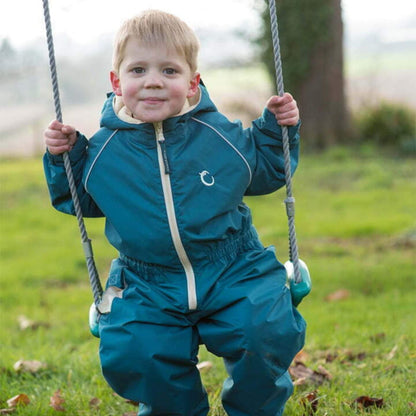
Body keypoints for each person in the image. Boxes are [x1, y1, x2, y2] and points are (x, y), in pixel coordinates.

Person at [43, 9, 306, 416]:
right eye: (138, 69)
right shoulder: (102, 153)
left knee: (265, 330)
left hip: (234, 267)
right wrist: (65, 159)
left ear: (191, 82)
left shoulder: (219, 136)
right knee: (139, 352)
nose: (152, 81)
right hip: (146, 280)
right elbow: (78, 200)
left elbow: (267, 170)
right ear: (117, 81)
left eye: (169, 70)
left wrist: (278, 130)